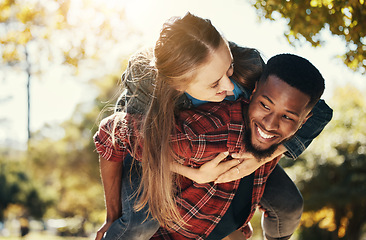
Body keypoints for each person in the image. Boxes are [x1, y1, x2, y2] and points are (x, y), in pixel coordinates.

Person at [94, 13, 332, 240]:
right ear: (178, 85)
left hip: (231, 154)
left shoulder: (249, 66)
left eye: (228, 67)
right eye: (214, 83)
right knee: (141, 224)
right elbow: (119, 139)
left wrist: (253, 165)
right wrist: (113, 216)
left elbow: (317, 110)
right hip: (154, 152)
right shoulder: (148, 86)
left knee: (288, 203)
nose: (229, 87)